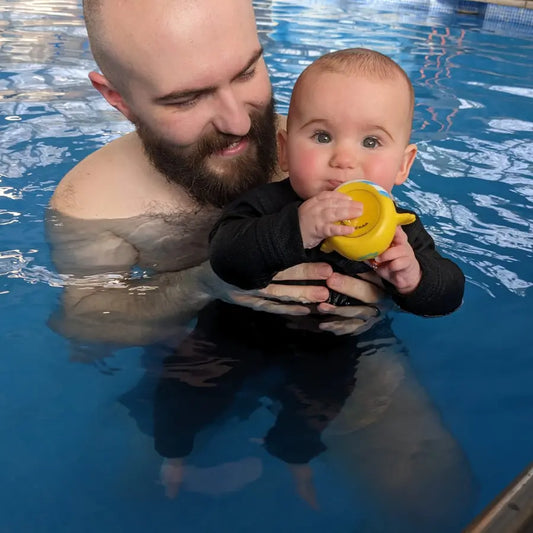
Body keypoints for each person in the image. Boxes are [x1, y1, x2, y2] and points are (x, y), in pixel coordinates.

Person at [46, 0, 383, 349]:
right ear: (119, 99)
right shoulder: (91, 203)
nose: (238, 123)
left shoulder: (324, 157)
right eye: (187, 99)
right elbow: (86, 322)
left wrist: (382, 295)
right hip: (201, 346)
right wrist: (203, 284)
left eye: (246, 73)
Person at [209, 48, 465, 317]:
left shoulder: (399, 229)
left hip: (348, 348)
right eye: (322, 137)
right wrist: (296, 229)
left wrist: (415, 278)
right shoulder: (265, 205)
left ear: (403, 165)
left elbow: (450, 296)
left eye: (370, 142)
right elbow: (224, 258)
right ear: (284, 151)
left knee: (392, 362)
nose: (344, 160)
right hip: (242, 333)